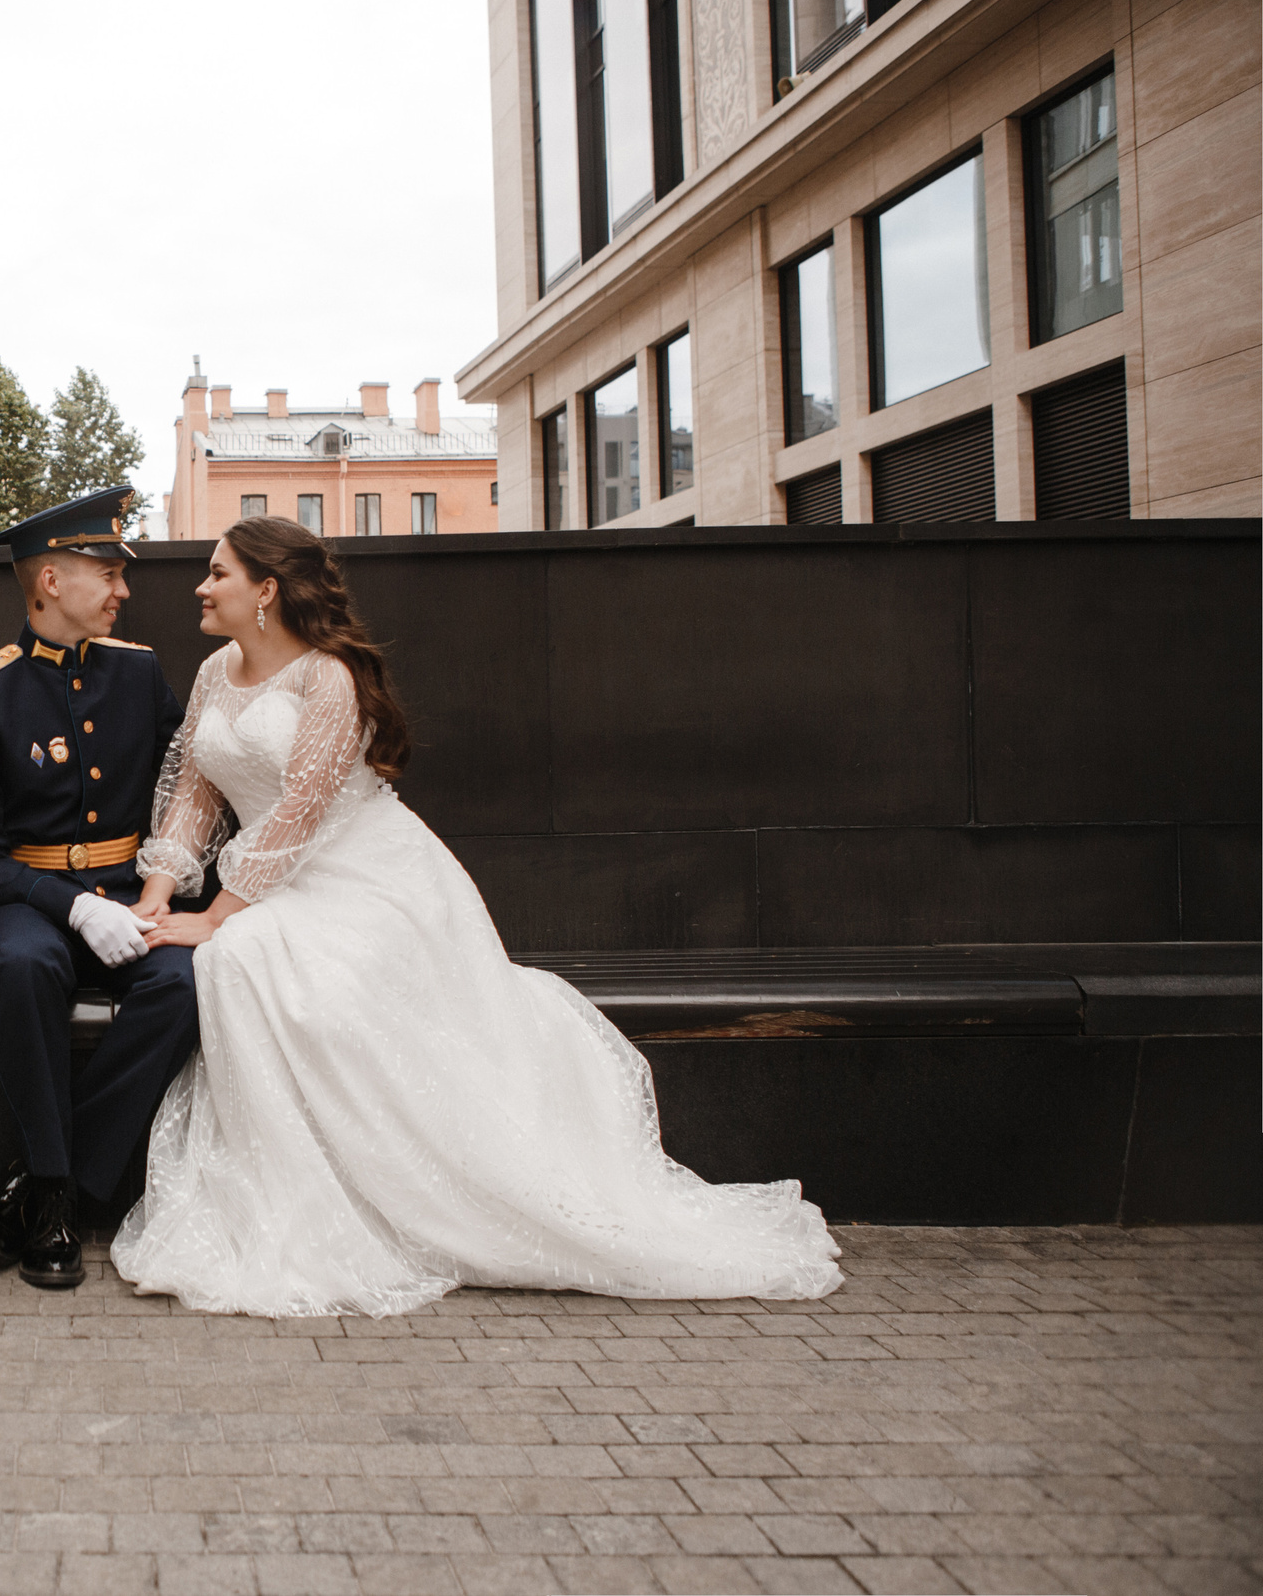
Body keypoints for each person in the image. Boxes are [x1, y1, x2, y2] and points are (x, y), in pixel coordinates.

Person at [115, 515, 844, 1318]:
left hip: (363, 879)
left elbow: (302, 808)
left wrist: (217, 916)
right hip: (273, 882)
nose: (201, 586)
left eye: (217, 572)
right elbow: (197, 790)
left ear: (267, 589)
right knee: (240, 957)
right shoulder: (215, 671)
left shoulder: (329, 676)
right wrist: (159, 888)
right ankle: (287, 1191)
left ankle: (393, 1194)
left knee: (242, 956)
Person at [0, 487, 201, 1291]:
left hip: (130, 894)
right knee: (22, 966)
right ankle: (54, 1196)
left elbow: (189, 787)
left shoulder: (138, 671)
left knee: (186, 980)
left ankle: (46, 1183)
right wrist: (77, 906)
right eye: (108, 572)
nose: (124, 590)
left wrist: (154, 891)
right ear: (51, 580)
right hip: (28, 904)